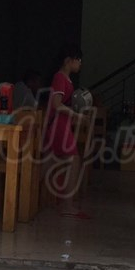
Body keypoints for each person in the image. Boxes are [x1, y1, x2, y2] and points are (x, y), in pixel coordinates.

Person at [44, 45, 86, 211]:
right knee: (73, 159)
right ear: (69, 61)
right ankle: (68, 202)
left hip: (63, 123)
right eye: (78, 60)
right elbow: (56, 104)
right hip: (58, 124)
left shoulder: (65, 79)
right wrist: (75, 114)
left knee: (52, 160)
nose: (80, 63)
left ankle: (53, 197)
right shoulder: (60, 78)